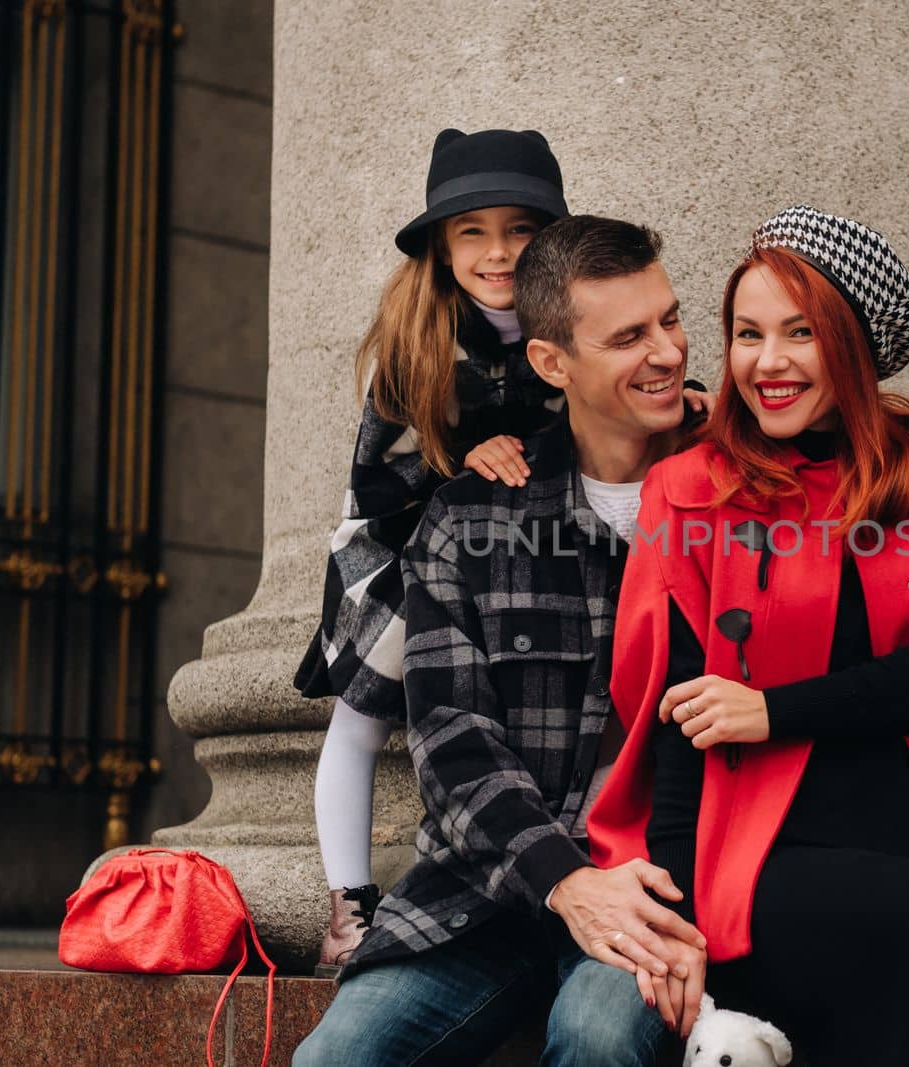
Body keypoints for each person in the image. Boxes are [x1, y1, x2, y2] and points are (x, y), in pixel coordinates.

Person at [587, 205, 909, 1065]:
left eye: (799, 333)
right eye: (746, 333)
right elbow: (678, 716)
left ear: (852, 343)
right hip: (762, 853)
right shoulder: (691, 490)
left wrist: (774, 709)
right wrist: (685, 909)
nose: (766, 363)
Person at [294, 216, 711, 1067]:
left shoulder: (732, 501)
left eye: (668, 320)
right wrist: (564, 878)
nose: (668, 352)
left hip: (649, 889)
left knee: (596, 1039)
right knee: (331, 1062)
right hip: (479, 900)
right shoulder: (473, 513)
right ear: (552, 363)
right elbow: (454, 740)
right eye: (629, 335)